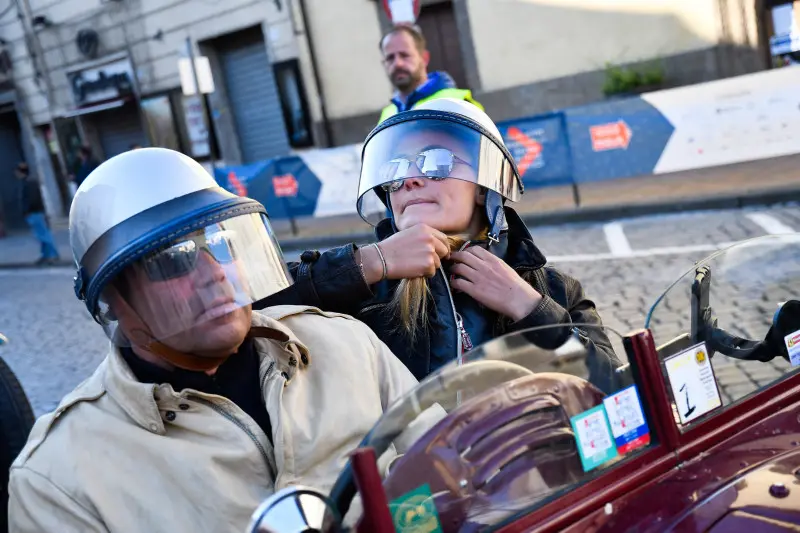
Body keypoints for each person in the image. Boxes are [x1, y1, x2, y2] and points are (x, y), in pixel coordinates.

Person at [7, 148, 422, 532]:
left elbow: (449, 477)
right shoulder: (57, 478)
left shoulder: (346, 345)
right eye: (174, 259)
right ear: (112, 300)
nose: (216, 274)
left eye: (222, 244)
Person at [261, 98, 620, 380]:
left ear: (484, 188)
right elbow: (250, 303)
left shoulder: (553, 289)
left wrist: (529, 308)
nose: (411, 179)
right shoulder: (363, 291)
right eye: (397, 167)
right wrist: (369, 263)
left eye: (437, 161)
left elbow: (620, 390)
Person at [378, 23, 483, 124]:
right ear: (384, 64)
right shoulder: (386, 116)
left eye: (404, 55)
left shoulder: (458, 104)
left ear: (424, 58)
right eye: (390, 58)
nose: (398, 64)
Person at [15, 162, 60, 265]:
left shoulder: (28, 183)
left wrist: (27, 211)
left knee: (43, 235)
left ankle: (52, 255)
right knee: (41, 235)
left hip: (34, 213)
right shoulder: (29, 182)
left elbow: (32, 199)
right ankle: (46, 255)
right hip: (35, 212)